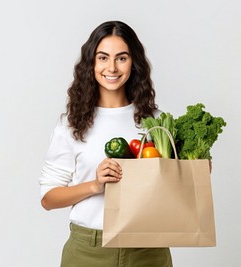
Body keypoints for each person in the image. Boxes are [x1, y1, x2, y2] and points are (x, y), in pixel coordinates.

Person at [39, 21, 173, 267]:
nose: (112, 67)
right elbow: (48, 198)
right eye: (103, 58)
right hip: (89, 251)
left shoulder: (155, 122)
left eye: (121, 58)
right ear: (91, 63)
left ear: (134, 63)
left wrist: (192, 169)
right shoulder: (71, 124)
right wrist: (95, 185)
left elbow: (169, 188)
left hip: (147, 250)